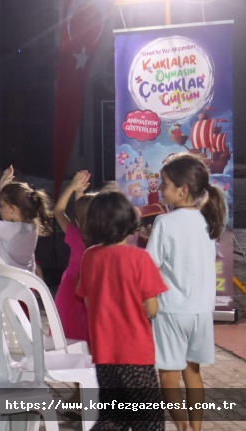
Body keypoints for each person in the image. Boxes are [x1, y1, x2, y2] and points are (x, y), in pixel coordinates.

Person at [146, 153, 226, 431]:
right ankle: (196, 429)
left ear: (182, 190)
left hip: (171, 311)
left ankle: (182, 429)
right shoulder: (209, 222)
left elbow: (149, 265)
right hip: (201, 312)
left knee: (168, 378)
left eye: (164, 184)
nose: (160, 188)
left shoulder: (165, 223)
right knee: (193, 373)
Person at [77, 190, 167, 430]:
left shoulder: (89, 257)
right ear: (129, 221)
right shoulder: (140, 259)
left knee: (113, 416)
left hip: (104, 353)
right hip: (136, 353)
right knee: (148, 420)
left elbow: (88, 302)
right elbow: (152, 308)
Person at [53, 170, 92, 344]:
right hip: (92, 293)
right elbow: (85, 215)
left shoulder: (75, 235)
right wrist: (79, 194)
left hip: (69, 289)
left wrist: (72, 188)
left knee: (66, 337)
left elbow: (59, 211)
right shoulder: (105, 241)